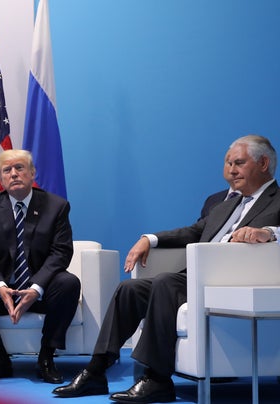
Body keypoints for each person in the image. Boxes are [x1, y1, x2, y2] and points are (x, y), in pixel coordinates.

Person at [53, 134, 280, 403]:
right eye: (228, 162)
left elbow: (270, 233)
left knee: (165, 283)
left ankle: (158, 379)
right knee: (130, 289)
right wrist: (149, 238)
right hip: (193, 279)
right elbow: (194, 231)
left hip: (231, 284)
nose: (230, 170)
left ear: (264, 163)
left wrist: (269, 232)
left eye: (239, 163)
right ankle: (96, 371)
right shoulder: (226, 204)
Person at [0, 149, 80, 384]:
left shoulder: (57, 206)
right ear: (1, 178)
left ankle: (46, 358)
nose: (14, 174)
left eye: (19, 168)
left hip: (42, 291)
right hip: (3, 293)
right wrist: (0, 287)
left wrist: (36, 288)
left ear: (32, 173)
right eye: (7, 170)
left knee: (69, 282)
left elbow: (61, 252)